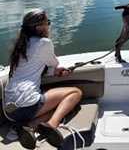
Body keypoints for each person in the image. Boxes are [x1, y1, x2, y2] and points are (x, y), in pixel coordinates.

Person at [4, 9, 82, 149]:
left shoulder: (21, 44)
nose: (49, 26)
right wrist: (58, 70)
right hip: (26, 106)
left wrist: (52, 70)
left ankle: (25, 127)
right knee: (75, 93)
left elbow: (34, 66)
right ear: (38, 27)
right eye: (48, 23)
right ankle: (51, 126)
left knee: (58, 107)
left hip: (9, 110)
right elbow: (54, 64)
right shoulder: (44, 42)